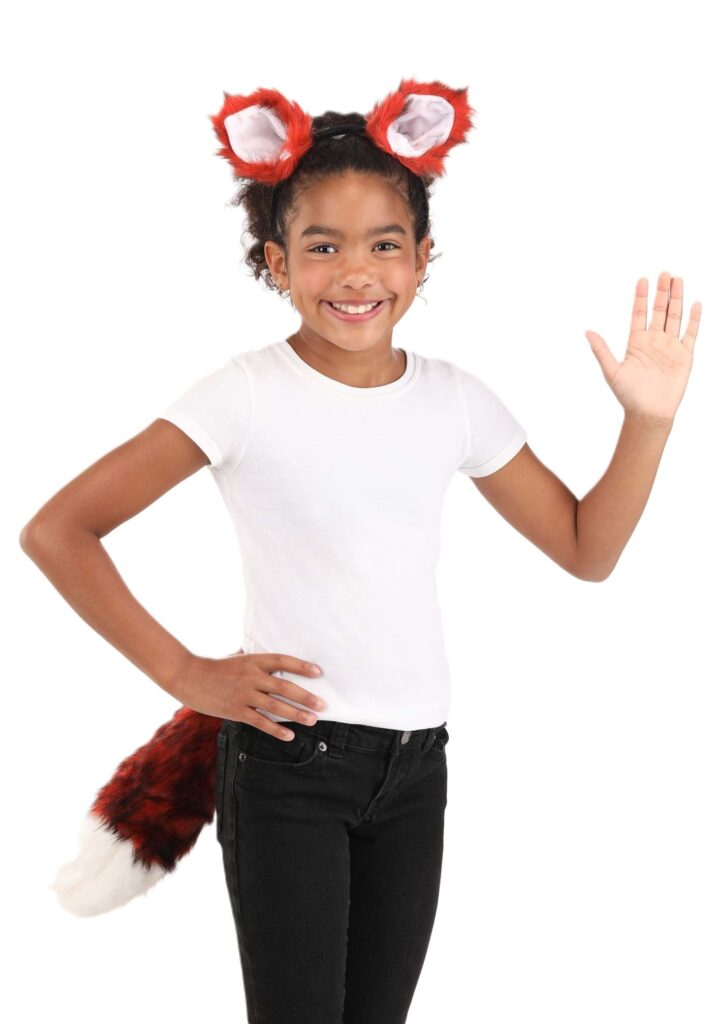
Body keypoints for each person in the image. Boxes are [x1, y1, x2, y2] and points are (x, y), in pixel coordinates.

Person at [19, 78, 701, 1024]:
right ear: (276, 261)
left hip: (417, 766)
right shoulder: (242, 394)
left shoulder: (456, 400)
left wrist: (648, 423)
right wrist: (186, 673)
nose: (355, 273)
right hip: (290, 765)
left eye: (384, 245)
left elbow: (587, 550)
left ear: (422, 257)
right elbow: (58, 530)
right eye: (321, 246)